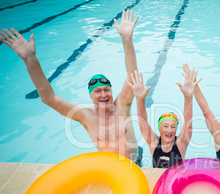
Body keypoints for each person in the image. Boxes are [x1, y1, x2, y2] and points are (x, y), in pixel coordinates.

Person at [0, 10, 143, 164]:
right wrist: (30, 59)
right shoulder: (85, 116)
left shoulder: (122, 104)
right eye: (97, 91)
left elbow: (132, 76)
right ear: (90, 96)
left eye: (106, 90)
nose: (103, 94)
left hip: (136, 162)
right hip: (112, 168)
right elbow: (49, 98)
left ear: (112, 92)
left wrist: (127, 39)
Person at [128, 64, 201, 168]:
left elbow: (188, 123)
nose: (169, 130)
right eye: (165, 126)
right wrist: (140, 100)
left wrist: (188, 97)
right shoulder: (154, 143)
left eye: (173, 126)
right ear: (159, 128)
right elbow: (142, 124)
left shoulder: (181, 144)